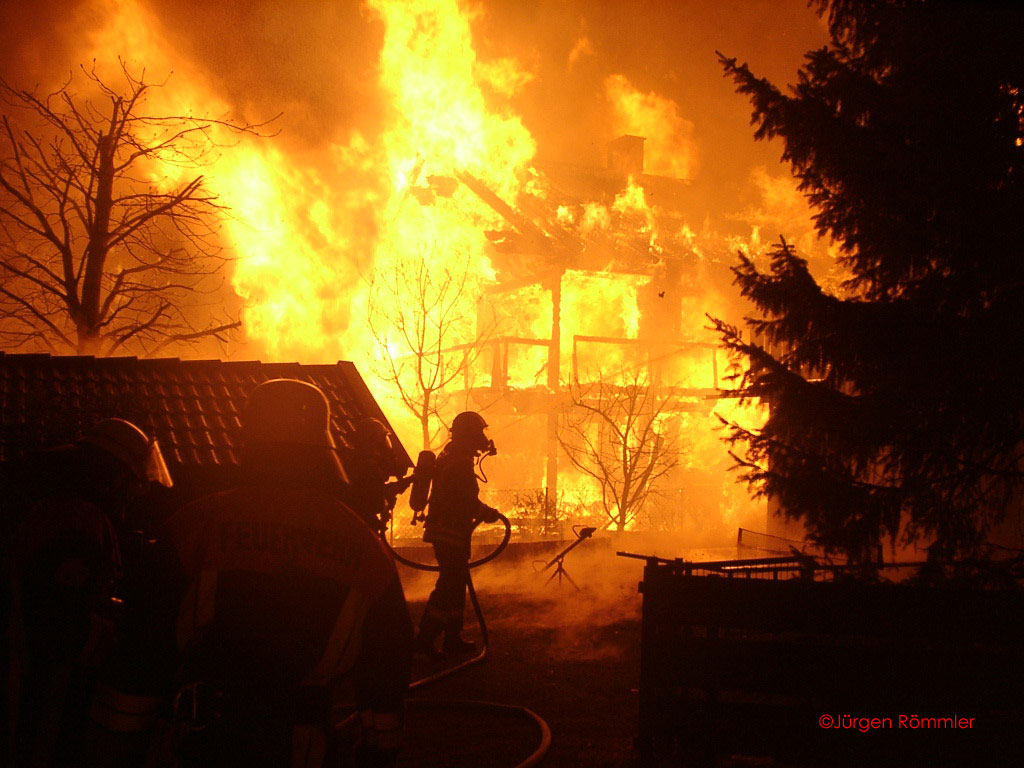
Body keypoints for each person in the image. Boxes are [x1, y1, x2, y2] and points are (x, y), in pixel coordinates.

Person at [161, 379, 412, 768]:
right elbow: (388, 653)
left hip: (203, 739)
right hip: (302, 743)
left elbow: (144, 638)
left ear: (248, 442)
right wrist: (380, 747)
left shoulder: (195, 523)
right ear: (322, 447)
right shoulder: (360, 541)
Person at [6, 418, 172, 766]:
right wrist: (113, 630)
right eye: (132, 482)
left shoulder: (57, 505)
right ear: (113, 475)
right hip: (45, 686)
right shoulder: (80, 520)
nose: (136, 493)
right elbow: (61, 624)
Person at [416, 411, 500, 657]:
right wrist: (486, 512)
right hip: (449, 532)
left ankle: (452, 638)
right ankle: (425, 639)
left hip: (449, 531)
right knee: (448, 586)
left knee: (455, 584)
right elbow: (466, 500)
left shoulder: (452, 455)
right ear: (469, 434)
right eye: (479, 432)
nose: (483, 437)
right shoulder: (459, 462)